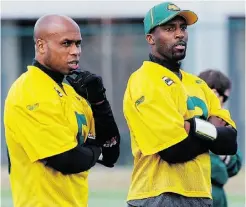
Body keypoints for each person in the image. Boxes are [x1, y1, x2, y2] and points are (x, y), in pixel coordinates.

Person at [123, 2, 237, 207]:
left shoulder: (198, 84)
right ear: (150, 38)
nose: (180, 34)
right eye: (169, 29)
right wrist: (211, 130)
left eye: (183, 28)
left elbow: (230, 141)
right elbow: (174, 151)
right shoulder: (144, 79)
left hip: (201, 193)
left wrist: (192, 126)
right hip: (159, 194)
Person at [4, 14, 120, 207]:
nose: (75, 51)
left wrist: (100, 102)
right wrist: (94, 149)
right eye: (66, 43)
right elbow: (67, 159)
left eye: (78, 44)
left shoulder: (72, 94)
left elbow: (111, 153)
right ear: (41, 45)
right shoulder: (29, 90)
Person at [198, 69, 242, 207]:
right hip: (194, 193)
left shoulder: (224, 125)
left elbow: (235, 163)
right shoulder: (190, 121)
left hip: (217, 195)